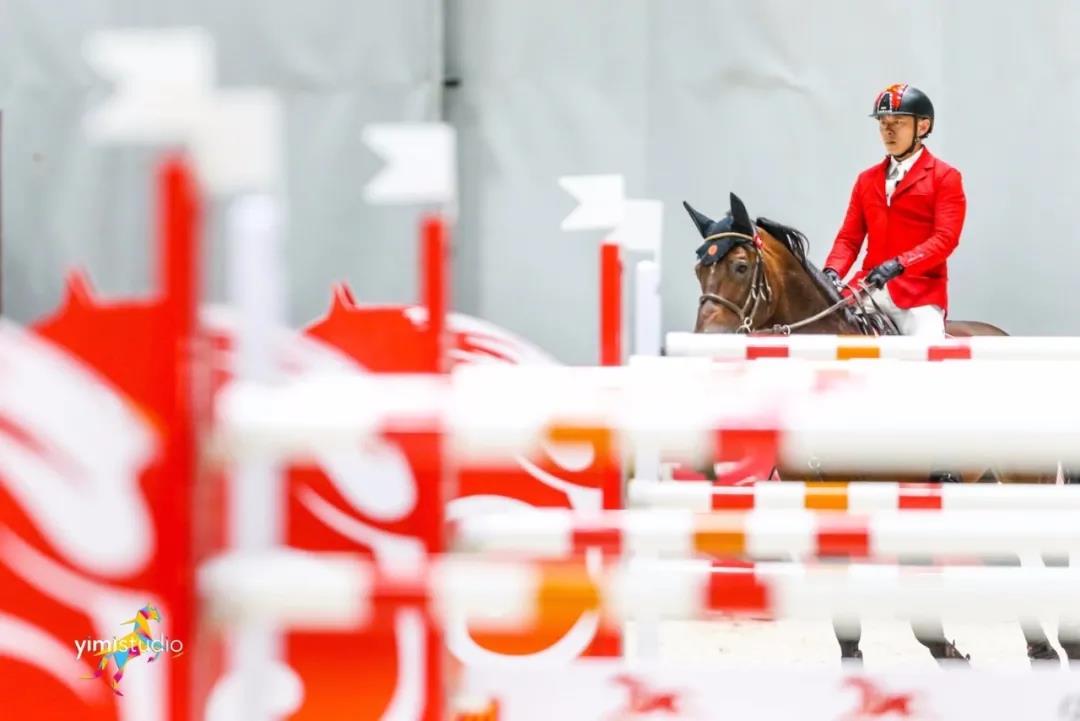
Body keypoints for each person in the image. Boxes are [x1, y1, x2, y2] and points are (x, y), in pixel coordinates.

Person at [823, 83, 964, 336]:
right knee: (824, 329)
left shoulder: (945, 177)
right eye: (883, 123)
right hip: (867, 287)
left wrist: (899, 264)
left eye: (898, 122)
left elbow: (945, 239)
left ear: (922, 127)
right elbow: (849, 239)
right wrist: (831, 271)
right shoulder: (866, 180)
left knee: (927, 347)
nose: (888, 130)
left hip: (918, 294)